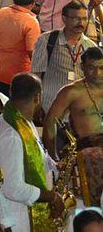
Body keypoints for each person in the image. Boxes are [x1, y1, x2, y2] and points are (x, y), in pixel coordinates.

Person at [0, 72, 65, 231]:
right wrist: (51, 197)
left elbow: (35, 153)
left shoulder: (20, 119)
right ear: (38, 97)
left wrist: (54, 165)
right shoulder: (11, 135)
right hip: (20, 216)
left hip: (24, 210)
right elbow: (13, 187)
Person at [42, 46, 103, 207]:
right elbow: (50, 123)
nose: (97, 73)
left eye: (101, 68)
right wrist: (54, 158)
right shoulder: (72, 91)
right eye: (91, 68)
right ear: (82, 67)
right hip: (88, 154)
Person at [31, 0, 97, 112]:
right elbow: (35, 75)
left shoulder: (91, 47)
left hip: (79, 113)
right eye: (76, 18)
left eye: (84, 19)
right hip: (50, 108)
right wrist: (36, 105)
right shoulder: (47, 40)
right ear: (64, 19)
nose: (81, 23)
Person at [0, 0, 42, 95]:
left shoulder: (0, 13)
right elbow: (32, 52)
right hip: (19, 75)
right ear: (33, 2)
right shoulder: (31, 22)